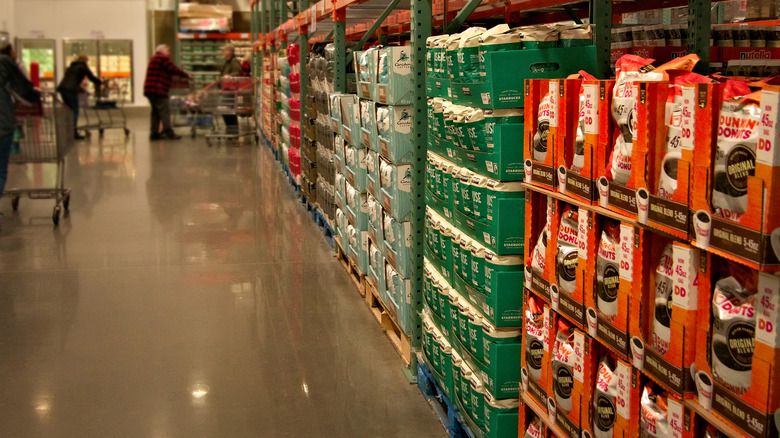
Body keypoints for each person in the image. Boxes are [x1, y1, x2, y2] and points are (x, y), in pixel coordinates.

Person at [0, 41, 41, 200]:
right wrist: (36, 95)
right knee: (1, 170)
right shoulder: (5, 62)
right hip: (2, 122)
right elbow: (24, 92)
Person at [143, 44, 191, 140]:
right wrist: (187, 75)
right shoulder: (162, 58)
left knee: (155, 112)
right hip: (158, 89)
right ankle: (168, 132)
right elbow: (173, 69)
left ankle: (154, 133)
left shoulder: (154, 58)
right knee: (164, 111)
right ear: (162, 50)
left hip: (150, 90)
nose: (169, 53)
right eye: (167, 50)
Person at [57, 54, 101, 140]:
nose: (87, 63)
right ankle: (73, 132)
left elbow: (72, 81)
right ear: (84, 60)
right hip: (70, 91)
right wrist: (99, 83)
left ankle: (68, 131)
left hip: (62, 89)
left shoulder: (71, 67)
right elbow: (91, 77)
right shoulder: (82, 66)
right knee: (74, 111)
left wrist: (82, 90)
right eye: (87, 61)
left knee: (69, 110)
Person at [219, 44, 243, 133]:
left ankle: (233, 129)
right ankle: (231, 129)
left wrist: (230, 76)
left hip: (231, 91)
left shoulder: (234, 62)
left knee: (227, 109)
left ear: (230, 52)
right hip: (226, 90)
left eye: (224, 50)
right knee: (227, 110)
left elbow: (238, 73)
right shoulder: (227, 62)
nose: (223, 52)